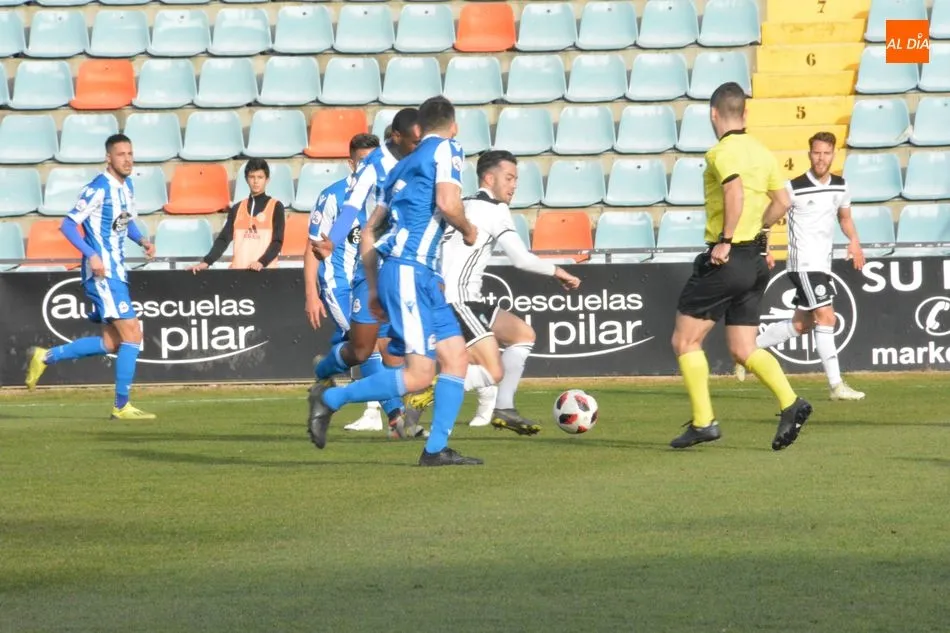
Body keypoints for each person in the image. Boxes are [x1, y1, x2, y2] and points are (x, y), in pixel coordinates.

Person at [308, 96, 482, 466]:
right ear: (453, 125)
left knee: (456, 358)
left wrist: (373, 286)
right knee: (419, 374)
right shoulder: (448, 149)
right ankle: (330, 399)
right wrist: (469, 230)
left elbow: (369, 230)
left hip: (408, 272)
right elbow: (449, 203)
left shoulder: (399, 169)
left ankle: (436, 449)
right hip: (410, 269)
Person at [670, 81, 812, 451]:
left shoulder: (721, 152)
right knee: (743, 348)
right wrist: (759, 231)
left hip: (729, 257)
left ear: (713, 114)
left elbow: (733, 190)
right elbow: (782, 201)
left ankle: (704, 422)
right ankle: (790, 402)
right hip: (755, 261)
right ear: (745, 114)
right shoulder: (762, 152)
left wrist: (726, 239)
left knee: (685, 340)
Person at [404, 150, 582, 434]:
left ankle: (504, 408)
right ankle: (426, 391)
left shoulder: (460, 205)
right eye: (509, 178)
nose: (514, 185)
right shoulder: (494, 209)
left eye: (516, 179)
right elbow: (521, 259)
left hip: (453, 298)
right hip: (457, 300)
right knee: (490, 368)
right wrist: (559, 272)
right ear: (489, 178)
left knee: (523, 335)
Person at [309, 108, 424, 440]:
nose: (419, 146)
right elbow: (346, 212)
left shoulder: (416, 163)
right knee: (365, 348)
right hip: (359, 273)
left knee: (388, 348)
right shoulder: (370, 172)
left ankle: (397, 419)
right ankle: (326, 374)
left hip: (401, 266)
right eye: (414, 140)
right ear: (397, 137)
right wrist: (332, 241)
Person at [24, 134, 156, 420]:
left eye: (130, 153)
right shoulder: (97, 188)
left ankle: (45, 357)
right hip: (103, 273)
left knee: (112, 344)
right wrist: (91, 254)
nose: (128, 159)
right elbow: (69, 225)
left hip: (117, 271)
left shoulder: (127, 185)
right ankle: (121, 406)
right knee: (133, 334)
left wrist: (142, 240)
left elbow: (125, 221)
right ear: (109, 157)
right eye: (121, 154)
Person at [736, 132, 866, 401]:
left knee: (801, 324)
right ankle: (836, 386)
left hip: (823, 264)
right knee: (827, 317)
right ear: (809, 154)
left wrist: (854, 242)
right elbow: (769, 216)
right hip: (804, 264)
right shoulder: (793, 187)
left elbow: (845, 218)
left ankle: (746, 351)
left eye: (826, 153)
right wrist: (765, 247)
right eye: (816, 153)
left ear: (833, 155)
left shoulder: (841, 186)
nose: (821, 158)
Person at [303, 133, 393, 434]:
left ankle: (327, 364)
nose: (369, 165)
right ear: (350, 163)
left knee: (367, 344)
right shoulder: (333, 196)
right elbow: (313, 246)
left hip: (369, 280)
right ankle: (386, 414)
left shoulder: (384, 196)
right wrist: (311, 295)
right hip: (337, 281)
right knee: (367, 346)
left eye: (373, 160)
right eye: (363, 161)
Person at [189, 158, 285, 273]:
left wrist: (261, 262)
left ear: (267, 180)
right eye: (252, 177)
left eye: (260, 177)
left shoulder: (276, 206)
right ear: (246, 179)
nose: (255, 181)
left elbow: (277, 242)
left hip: (265, 275)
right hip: (239, 275)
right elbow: (223, 239)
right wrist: (206, 261)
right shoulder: (237, 208)